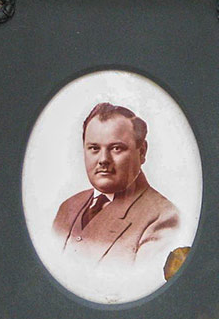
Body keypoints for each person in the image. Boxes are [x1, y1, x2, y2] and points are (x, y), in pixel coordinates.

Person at [52, 103, 180, 266]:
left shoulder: (163, 218)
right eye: (94, 148)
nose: (103, 159)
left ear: (142, 152)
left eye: (116, 148)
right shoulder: (68, 208)